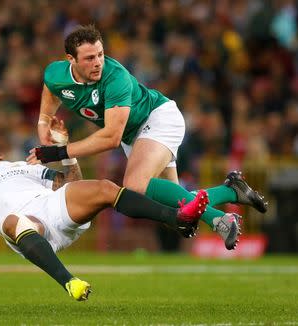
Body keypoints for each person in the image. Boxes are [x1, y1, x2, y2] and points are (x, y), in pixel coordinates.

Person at [26, 24, 268, 249]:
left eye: (100, 54)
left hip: (157, 118)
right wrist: (43, 121)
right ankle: (232, 191)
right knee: (177, 208)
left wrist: (59, 152)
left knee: (134, 185)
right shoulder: (55, 73)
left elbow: (111, 137)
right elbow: (51, 89)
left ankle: (220, 220)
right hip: (135, 137)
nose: (98, 62)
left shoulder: (115, 77)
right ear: (71, 60)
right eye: (90, 58)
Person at [0, 138, 210, 301]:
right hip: (28, 227)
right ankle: (70, 283)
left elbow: (70, 184)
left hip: (54, 206)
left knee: (104, 187)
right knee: (12, 221)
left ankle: (179, 218)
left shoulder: (23, 167)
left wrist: (68, 154)